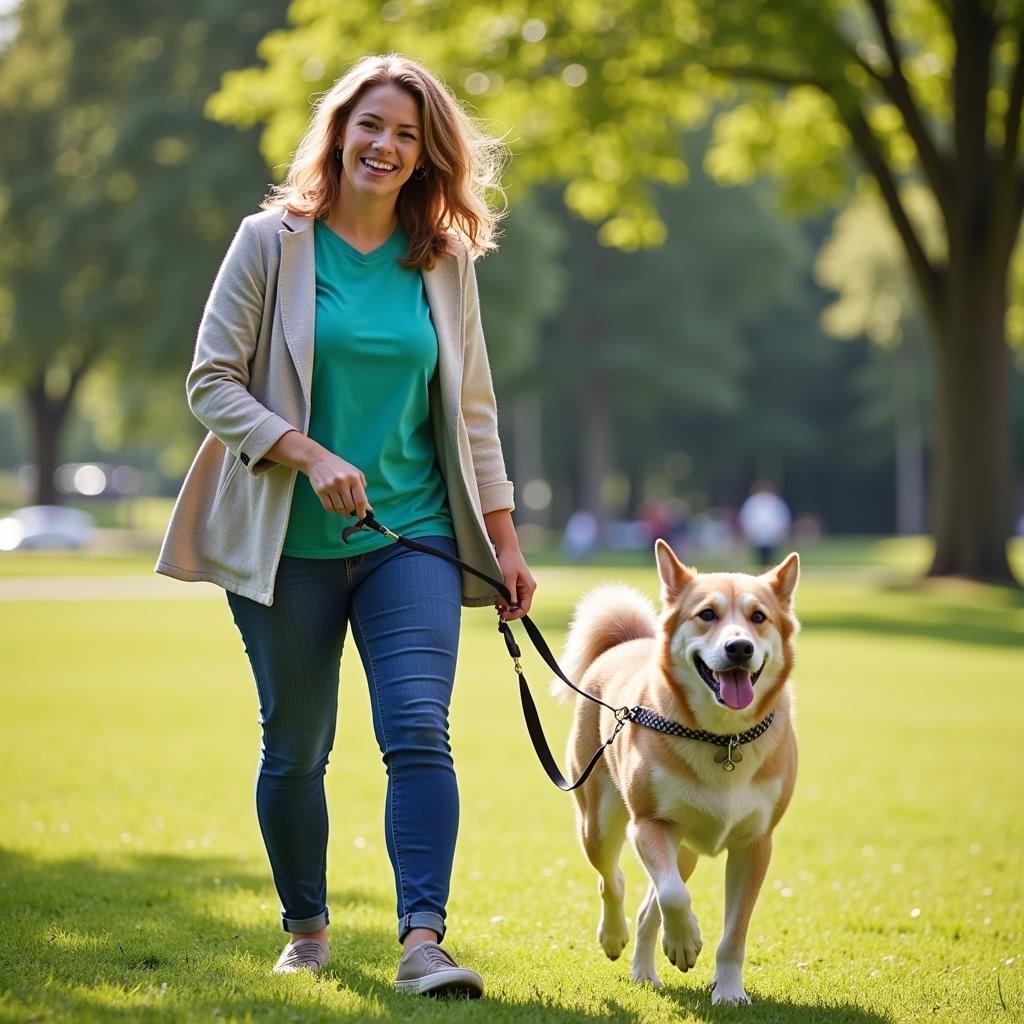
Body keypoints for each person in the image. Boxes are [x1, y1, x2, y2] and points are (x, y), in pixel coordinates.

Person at [156, 53, 536, 998]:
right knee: (295, 745)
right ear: (340, 132)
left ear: (426, 155)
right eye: (372, 124)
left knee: (418, 729)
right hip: (288, 548)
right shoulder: (270, 242)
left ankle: (423, 942)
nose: (386, 144)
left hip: (413, 538)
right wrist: (308, 453)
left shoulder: (443, 261)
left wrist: (505, 539)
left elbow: (475, 410)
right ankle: (309, 927)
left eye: (407, 134)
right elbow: (210, 382)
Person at [738, 480, 792, 568]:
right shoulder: (752, 502)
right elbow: (747, 518)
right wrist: (748, 533)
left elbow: (782, 518)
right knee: (759, 560)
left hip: (773, 536)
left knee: (772, 559)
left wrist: (781, 532)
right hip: (757, 536)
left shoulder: (776, 502)